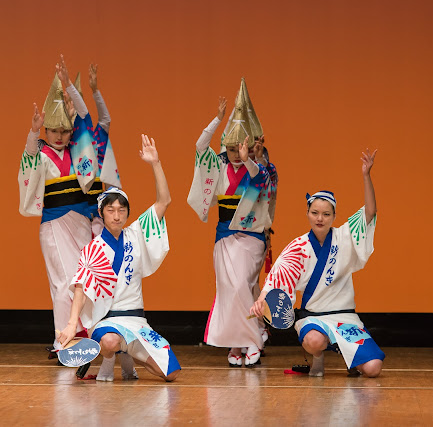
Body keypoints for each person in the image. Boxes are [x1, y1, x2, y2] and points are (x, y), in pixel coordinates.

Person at [18, 56, 125, 365]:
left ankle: (73, 336)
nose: (60, 136)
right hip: (54, 224)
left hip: (83, 223)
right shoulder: (42, 153)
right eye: (53, 130)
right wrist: (32, 130)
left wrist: (75, 88)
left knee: (81, 280)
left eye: (65, 130)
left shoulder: (82, 150)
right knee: (64, 281)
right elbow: (27, 158)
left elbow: (95, 120)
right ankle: (67, 339)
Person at [251, 149, 383, 377]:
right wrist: (262, 300)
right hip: (314, 319)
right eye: (314, 212)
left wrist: (366, 175)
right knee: (314, 340)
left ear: (334, 216)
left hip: (344, 317)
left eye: (325, 214)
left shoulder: (344, 237)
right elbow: (278, 277)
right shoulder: (297, 248)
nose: (320, 218)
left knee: (373, 369)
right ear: (308, 213)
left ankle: (347, 353)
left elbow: (370, 213)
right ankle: (318, 358)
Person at [58, 135, 180, 382]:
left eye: (121, 210)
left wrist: (155, 163)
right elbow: (81, 288)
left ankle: (128, 353)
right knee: (110, 340)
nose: (116, 215)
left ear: (127, 213)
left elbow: (164, 201)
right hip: (108, 322)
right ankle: (111, 354)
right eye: (110, 210)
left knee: (171, 374)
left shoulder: (136, 233)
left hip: (137, 321)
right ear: (101, 213)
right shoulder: (93, 248)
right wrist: (72, 325)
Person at [187, 91, 277, 367]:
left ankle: (251, 340)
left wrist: (251, 159)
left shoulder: (264, 167)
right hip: (225, 234)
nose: (236, 155)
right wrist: (218, 119)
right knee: (230, 289)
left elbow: (260, 181)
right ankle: (238, 342)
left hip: (252, 237)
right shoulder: (219, 166)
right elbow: (201, 147)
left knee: (241, 286)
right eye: (231, 149)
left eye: (243, 149)